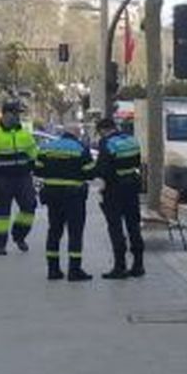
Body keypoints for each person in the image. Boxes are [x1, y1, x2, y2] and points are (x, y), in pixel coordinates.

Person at [0, 100, 40, 255]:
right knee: (1, 215)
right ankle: (0, 245)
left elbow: (35, 157)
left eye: (19, 114)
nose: (18, 117)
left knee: (30, 206)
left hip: (23, 178)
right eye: (15, 113)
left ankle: (19, 235)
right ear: (5, 114)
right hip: (1, 179)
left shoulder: (25, 134)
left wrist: (39, 176)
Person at [34, 125, 94, 281]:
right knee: (75, 232)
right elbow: (90, 172)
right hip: (73, 195)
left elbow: (38, 170)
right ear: (76, 134)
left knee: (54, 230)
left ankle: (53, 270)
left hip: (52, 194)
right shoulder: (80, 148)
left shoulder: (47, 147)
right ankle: (74, 270)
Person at [93, 116, 144, 279]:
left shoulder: (107, 143)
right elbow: (137, 162)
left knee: (115, 227)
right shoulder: (131, 140)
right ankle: (138, 265)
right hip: (132, 187)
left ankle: (119, 267)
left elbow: (102, 169)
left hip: (114, 190)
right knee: (133, 226)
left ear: (103, 130)